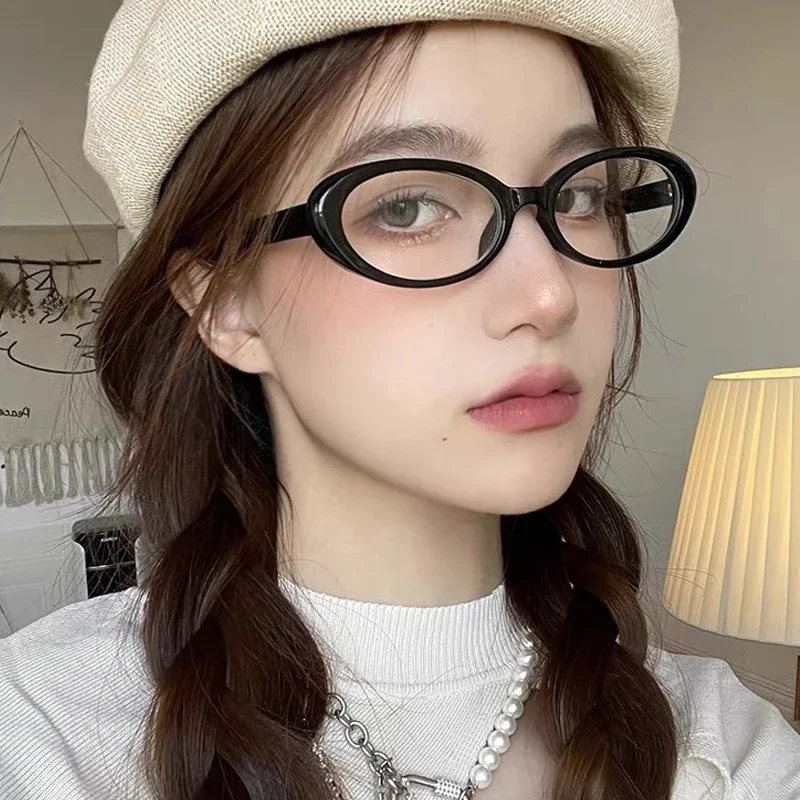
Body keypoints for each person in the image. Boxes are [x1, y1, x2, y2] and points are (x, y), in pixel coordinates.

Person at [1, 1, 799, 798]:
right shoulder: (45, 735)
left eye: (580, 196)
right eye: (406, 207)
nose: (550, 295)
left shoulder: (722, 749)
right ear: (225, 304)